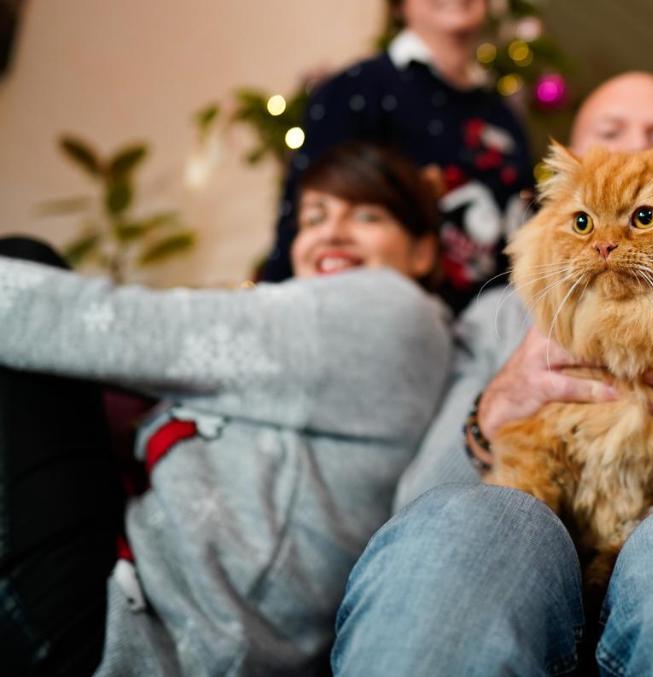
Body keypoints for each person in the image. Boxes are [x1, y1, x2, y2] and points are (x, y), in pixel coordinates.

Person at [332, 72, 653, 677]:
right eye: (609, 133)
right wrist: (493, 408)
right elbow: (418, 506)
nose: (605, 239)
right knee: (473, 522)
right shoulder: (496, 312)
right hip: (517, 589)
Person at [0, 142, 452, 675]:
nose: (331, 232)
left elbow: (131, 329)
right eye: (314, 216)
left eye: (368, 215)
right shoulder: (331, 342)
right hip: (129, 599)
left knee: (23, 264)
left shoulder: (392, 310)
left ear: (423, 252)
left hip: (134, 641)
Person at [261, 0, 535, 315]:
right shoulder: (355, 90)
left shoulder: (503, 117)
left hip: (491, 332)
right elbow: (304, 220)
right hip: (385, 324)